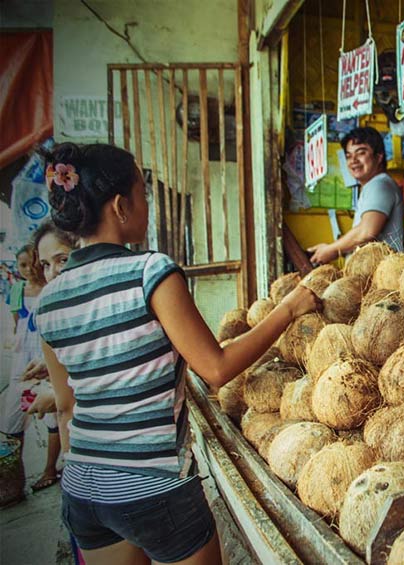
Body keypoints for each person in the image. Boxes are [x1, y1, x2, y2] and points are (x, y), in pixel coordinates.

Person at [36, 143, 321, 565]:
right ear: (119, 206)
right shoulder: (149, 272)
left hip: (83, 488)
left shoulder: (50, 299)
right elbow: (215, 368)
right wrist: (289, 309)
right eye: (142, 194)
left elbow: (65, 407)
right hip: (154, 489)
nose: (145, 204)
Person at [18, 221, 81, 492]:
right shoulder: (59, 311)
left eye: (61, 260)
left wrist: (55, 397)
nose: (52, 273)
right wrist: (51, 368)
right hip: (81, 459)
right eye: (45, 264)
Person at [307, 126, 404, 263]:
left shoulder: (380, 185)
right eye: (349, 156)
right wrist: (330, 248)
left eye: (361, 153)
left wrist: (332, 250)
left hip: (383, 277)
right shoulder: (371, 186)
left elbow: (366, 231)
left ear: (379, 156)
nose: (353, 160)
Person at [1, 244, 46, 493]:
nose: (29, 270)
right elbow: (18, 321)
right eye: (23, 265)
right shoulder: (17, 289)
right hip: (23, 351)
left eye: (33, 263)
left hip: (42, 348)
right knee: (14, 408)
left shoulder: (48, 287)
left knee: (51, 409)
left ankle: (50, 468)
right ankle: (14, 476)